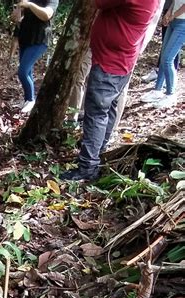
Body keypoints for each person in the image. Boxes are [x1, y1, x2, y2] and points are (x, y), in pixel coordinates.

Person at [61, 0, 161, 182]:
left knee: (96, 114)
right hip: (122, 59)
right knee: (108, 110)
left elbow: (98, 2)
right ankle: (96, 154)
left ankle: (88, 167)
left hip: (110, 62)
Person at [16, 0, 58, 115]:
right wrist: (18, 10)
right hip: (25, 37)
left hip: (40, 39)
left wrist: (29, 5)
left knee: (22, 71)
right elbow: (17, 18)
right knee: (27, 71)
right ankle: (27, 100)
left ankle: (30, 99)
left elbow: (46, 15)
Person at [141, 0, 185, 108]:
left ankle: (171, 94)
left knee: (167, 59)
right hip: (173, 21)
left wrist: (173, 15)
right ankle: (157, 90)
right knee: (163, 56)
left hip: (182, 24)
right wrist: (169, 12)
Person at [142, 0, 180, 83]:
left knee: (172, 44)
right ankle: (161, 73)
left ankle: (169, 75)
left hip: (177, 13)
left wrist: (172, 14)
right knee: (166, 43)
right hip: (169, 9)